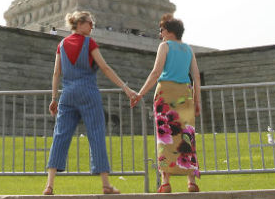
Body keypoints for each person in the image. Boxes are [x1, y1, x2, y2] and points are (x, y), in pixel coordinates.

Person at [43, 10, 136, 196]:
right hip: (88, 92)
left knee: (60, 136)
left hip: (67, 94)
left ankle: (49, 185)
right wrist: (126, 89)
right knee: (96, 134)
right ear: (79, 24)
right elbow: (105, 67)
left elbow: (56, 73)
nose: (92, 26)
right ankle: (106, 185)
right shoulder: (89, 43)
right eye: (89, 23)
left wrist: (54, 98)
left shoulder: (61, 44)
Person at [131, 14, 202, 193]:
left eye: (161, 29)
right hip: (185, 94)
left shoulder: (164, 46)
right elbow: (195, 76)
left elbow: (156, 73)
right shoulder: (188, 49)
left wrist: (140, 93)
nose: (160, 33)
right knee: (187, 136)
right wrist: (197, 100)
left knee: (165, 136)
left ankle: (165, 180)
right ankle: (191, 180)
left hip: (166, 93)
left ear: (169, 31)